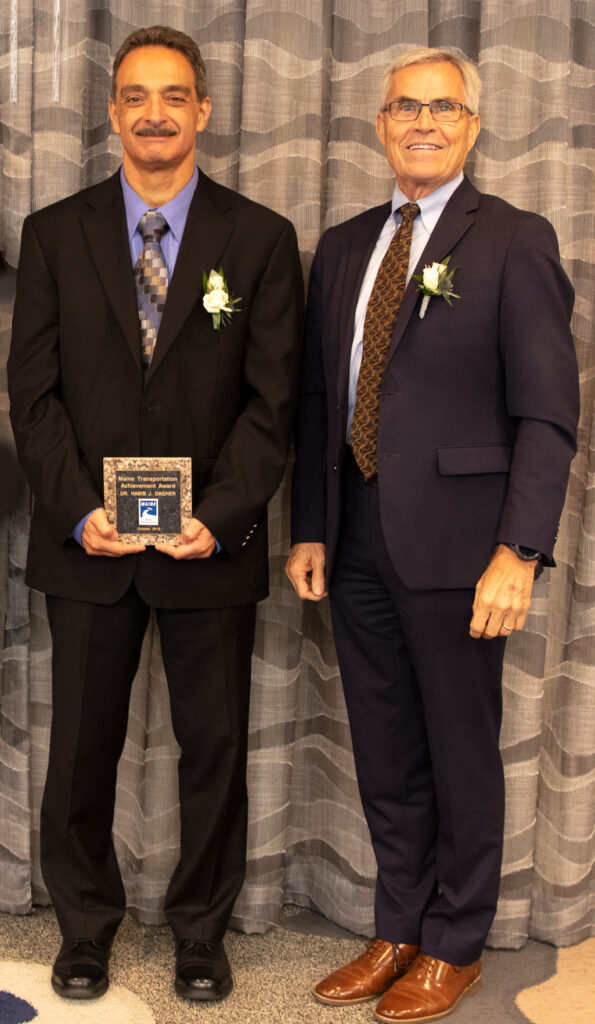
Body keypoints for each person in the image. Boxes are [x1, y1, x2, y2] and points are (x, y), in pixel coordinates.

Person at [8, 25, 303, 1003]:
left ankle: (200, 932)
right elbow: (33, 396)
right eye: (135, 95)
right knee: (81, 747)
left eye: (173, 95)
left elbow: (274, 405)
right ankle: (84, 927)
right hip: (88, 543)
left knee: (212, 752)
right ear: (112, 112)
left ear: (204, 110)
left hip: (206, 547)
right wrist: (77, 507)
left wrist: (218, 515)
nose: (154, 113)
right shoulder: (54, 233)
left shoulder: (258, 239)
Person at [285, 47, 578, 1023]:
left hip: (463, 547)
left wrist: (520, 549)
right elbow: (321, 401)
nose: (421, 121)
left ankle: (455, 940)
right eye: (404, 105)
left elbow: (547, 413)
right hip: (358, 539)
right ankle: (397, 922)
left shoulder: (513, 239)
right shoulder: (343, 244)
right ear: (379, 123)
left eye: (441, 107)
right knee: (384, 745)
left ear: (471, 127)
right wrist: (314, 529)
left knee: (459, 749)